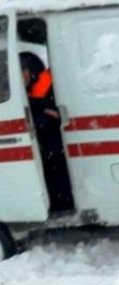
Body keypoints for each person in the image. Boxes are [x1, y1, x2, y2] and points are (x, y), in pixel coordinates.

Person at [20, 52, 74, 212]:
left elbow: (58, 114)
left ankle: (64, 207)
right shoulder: (29, 91)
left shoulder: (52, 85)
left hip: (59, 143)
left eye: (23, 70)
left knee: (58, 173)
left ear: (32, 70)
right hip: (46, 145)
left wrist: (43, 120)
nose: (21, 76)